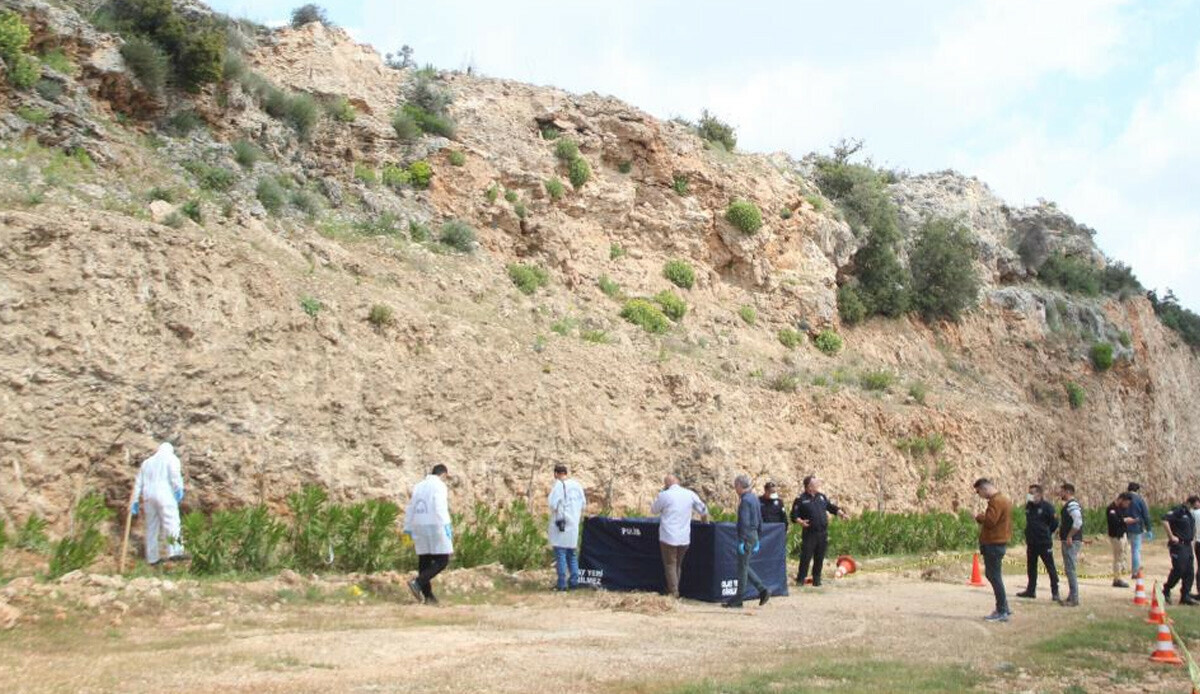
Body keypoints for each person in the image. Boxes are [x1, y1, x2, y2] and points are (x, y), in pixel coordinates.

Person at [650, 474, 709, 598]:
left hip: (668, 535)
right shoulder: (689, 494)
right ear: (678, 481)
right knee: (677, 564)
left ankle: (674, 592)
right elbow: (703, 510)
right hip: (684, 536)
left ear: (666, 484)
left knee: (670, 564)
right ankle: (674, 588)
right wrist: (705, 522)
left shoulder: (664, 495)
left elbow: (654, 510)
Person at [131, 442, 187, 566]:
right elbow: (174, 475)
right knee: (171, 522)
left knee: (151, 526)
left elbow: (138, 483)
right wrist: (178, 488)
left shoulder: (146, 463)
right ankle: (175, 552)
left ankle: (152, 558)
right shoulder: (171, 458)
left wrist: (134, 500)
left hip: (148, 496)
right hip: (165, 494)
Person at [404, 464, 453, 605]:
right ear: (443, 474)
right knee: (442, 560)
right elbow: (440, 506)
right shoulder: (440, 486)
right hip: (435, 524)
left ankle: (429, 597)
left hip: (418, 525)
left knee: (424, 560)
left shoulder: (419, 486)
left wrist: (407, 529)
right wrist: (446, 525)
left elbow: (411, 507)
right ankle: (417, 582)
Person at [790, 475, 847, 587]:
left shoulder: (821, 496)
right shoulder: (800, 499)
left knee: (819, 557)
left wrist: (841, 513)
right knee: (806, 557)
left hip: (822, 533)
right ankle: (801, 580)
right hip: (810, 533)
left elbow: (830, 507)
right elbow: (793, 515)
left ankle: (817, 580)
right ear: (809, 486)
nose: (818, 485)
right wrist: (800, 521)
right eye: (815, 484)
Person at [724, 474, 769, 609]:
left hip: (747, 535)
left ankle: (739, 598)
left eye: (735, 485)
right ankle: (762, 590)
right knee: (743, 566)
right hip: (753, 534)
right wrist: (758, 537)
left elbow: (744, 521)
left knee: (742, 568)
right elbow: (760, 518)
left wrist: (742, 540)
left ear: (739, 486)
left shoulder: (745, 501)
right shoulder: (754, 498)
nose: (735, 488)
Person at [973, 478, 1012, 622]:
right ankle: (1004, 607)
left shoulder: (996, 501)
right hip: (997, 543)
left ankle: (1001, 610)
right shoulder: (1003, 499)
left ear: (984, 489)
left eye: (979, 492)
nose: (980, 495)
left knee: (994, 576)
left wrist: (978, 517)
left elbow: (990, 521)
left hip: (994, 544)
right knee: (994, 576)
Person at [1016, 484, 1060, 601]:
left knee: (1050, 567)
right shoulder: (1029, 506)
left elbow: (1055, 523)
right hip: (1031, 542)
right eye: (1029, 493)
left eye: (1032, 493)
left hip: (1044, 542)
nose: (1029, 495)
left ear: (1039, 494)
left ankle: (1055, 592)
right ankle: (1031, 590)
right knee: (1031, 567)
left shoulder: (1047, 507)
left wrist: (1046, 532)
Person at [548, 464, 586, 592]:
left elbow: (553, 504)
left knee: (561, 554)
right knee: (572, 554)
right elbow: (583, 504)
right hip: (574, 524)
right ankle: (574, 581)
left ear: (556, 474)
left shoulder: (559, 485)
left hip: (562, 524)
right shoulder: (577, 485)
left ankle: (562, 583)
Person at [1161, 496, 1199, 605]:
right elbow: (1164, 519)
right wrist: (1171, 536)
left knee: (1189, 572)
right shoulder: (1179, 510)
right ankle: (1167, 589)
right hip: (1179, 545)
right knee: (1179, 569)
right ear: (1194, 502)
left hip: (1188, 545)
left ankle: (1185, 595)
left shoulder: (1190, 513)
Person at [1057, 483, 1084, 607]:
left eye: (1062, 491)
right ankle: (1071, 596)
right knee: (1069, 569)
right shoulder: (1070, 505)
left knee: (1070, 569)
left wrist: (1069, 535)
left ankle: (1074, 598)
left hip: (1071, 542)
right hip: (1070, 540)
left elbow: (1077, 521)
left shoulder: (1072, 504)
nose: (1060, 494)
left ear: (1067, 492)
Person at [1124, 482, 1153, 578]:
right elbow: (1145, 514)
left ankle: (1122, 570)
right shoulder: (1139, 499)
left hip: (1124, 527)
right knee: (1135, 550)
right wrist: (1149, 528)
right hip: (1136, 527)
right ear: (1137, 490)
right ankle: (1135, 572)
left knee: (1123, 550)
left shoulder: (1124, 498)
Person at [1106, 493, 1131, 588]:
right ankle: (1117, 579)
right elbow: (1114, 522)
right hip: (1116, 536)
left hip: (1122, 534)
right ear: (1121, 500)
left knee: (1123, 555)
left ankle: (1120, 574)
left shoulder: (1121, 509)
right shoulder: (1111, 509)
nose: (1127, 505)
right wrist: (1124, 520)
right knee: (1118, 557)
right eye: (1126, 503)